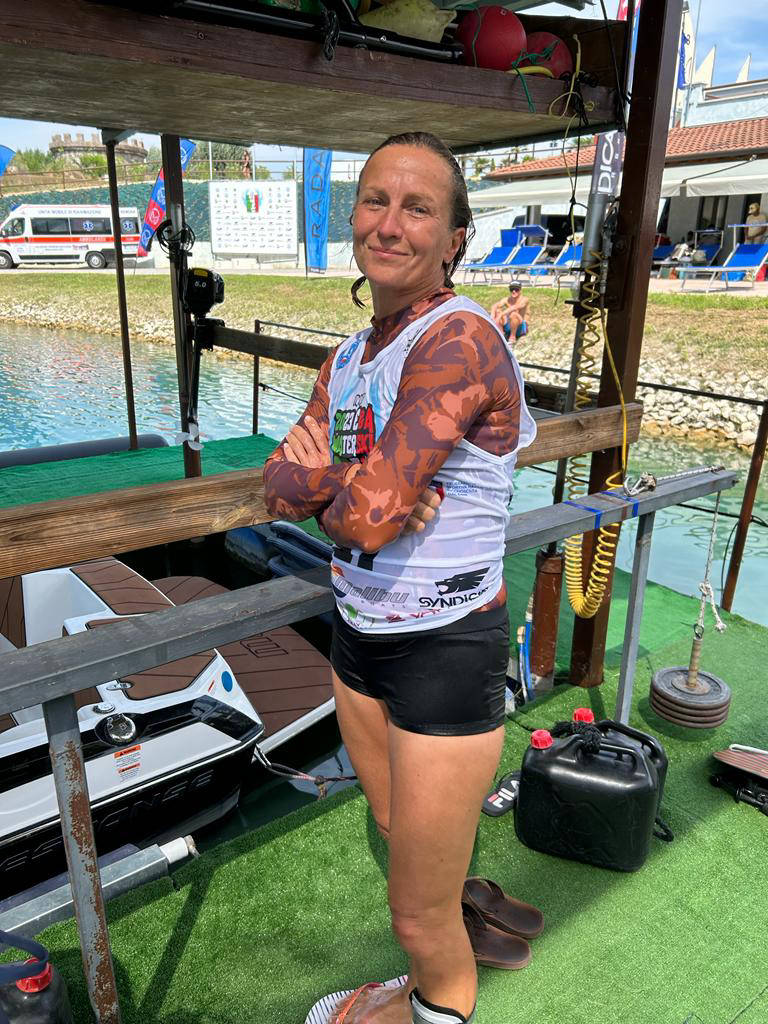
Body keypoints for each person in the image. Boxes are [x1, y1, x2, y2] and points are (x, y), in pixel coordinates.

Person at [264, 131, 538, 1024]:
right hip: (358, 639)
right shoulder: (349, 356)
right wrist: (356, 482)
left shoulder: (461, 338)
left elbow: (368, 519)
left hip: (443, 651)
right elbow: (279, 486)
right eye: (375, 200)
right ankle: (437, 958)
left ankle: (433, 999)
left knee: (416, 915)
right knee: (395, 837)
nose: (390, 224)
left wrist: (347, 488)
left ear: (454, 238)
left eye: (418, 208)